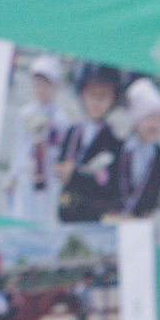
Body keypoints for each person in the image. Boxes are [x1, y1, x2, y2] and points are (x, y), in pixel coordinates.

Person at [55, 64, 125, 223]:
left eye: (103, 96)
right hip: (67, 210)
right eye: (92, 95)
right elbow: (62, 160)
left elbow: (111, 187)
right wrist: (59, 169)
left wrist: (75, 175)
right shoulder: (73, 131)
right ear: (82, 95)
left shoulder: (115, 141)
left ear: (113, 100)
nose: (96, 102)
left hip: (92, 217)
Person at [4, 59, 67, 224]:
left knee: (43, 216)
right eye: (37, 85)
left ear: (56, 87)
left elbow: (62, 150)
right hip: (27, 173)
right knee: (22, 212)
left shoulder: (61, 120)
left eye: (46, 86)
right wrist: (12, 176)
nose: (41, 90)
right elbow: (19, 146)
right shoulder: (26, 113)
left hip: (48, 178)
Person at [112, 77, 160, 221]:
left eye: (159, 119)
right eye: (149, 118)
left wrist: (146, 211)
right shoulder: (119, 148)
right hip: (114, 217)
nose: (155, 125)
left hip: (140, 221)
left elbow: (155, 191)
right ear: (136, 120)